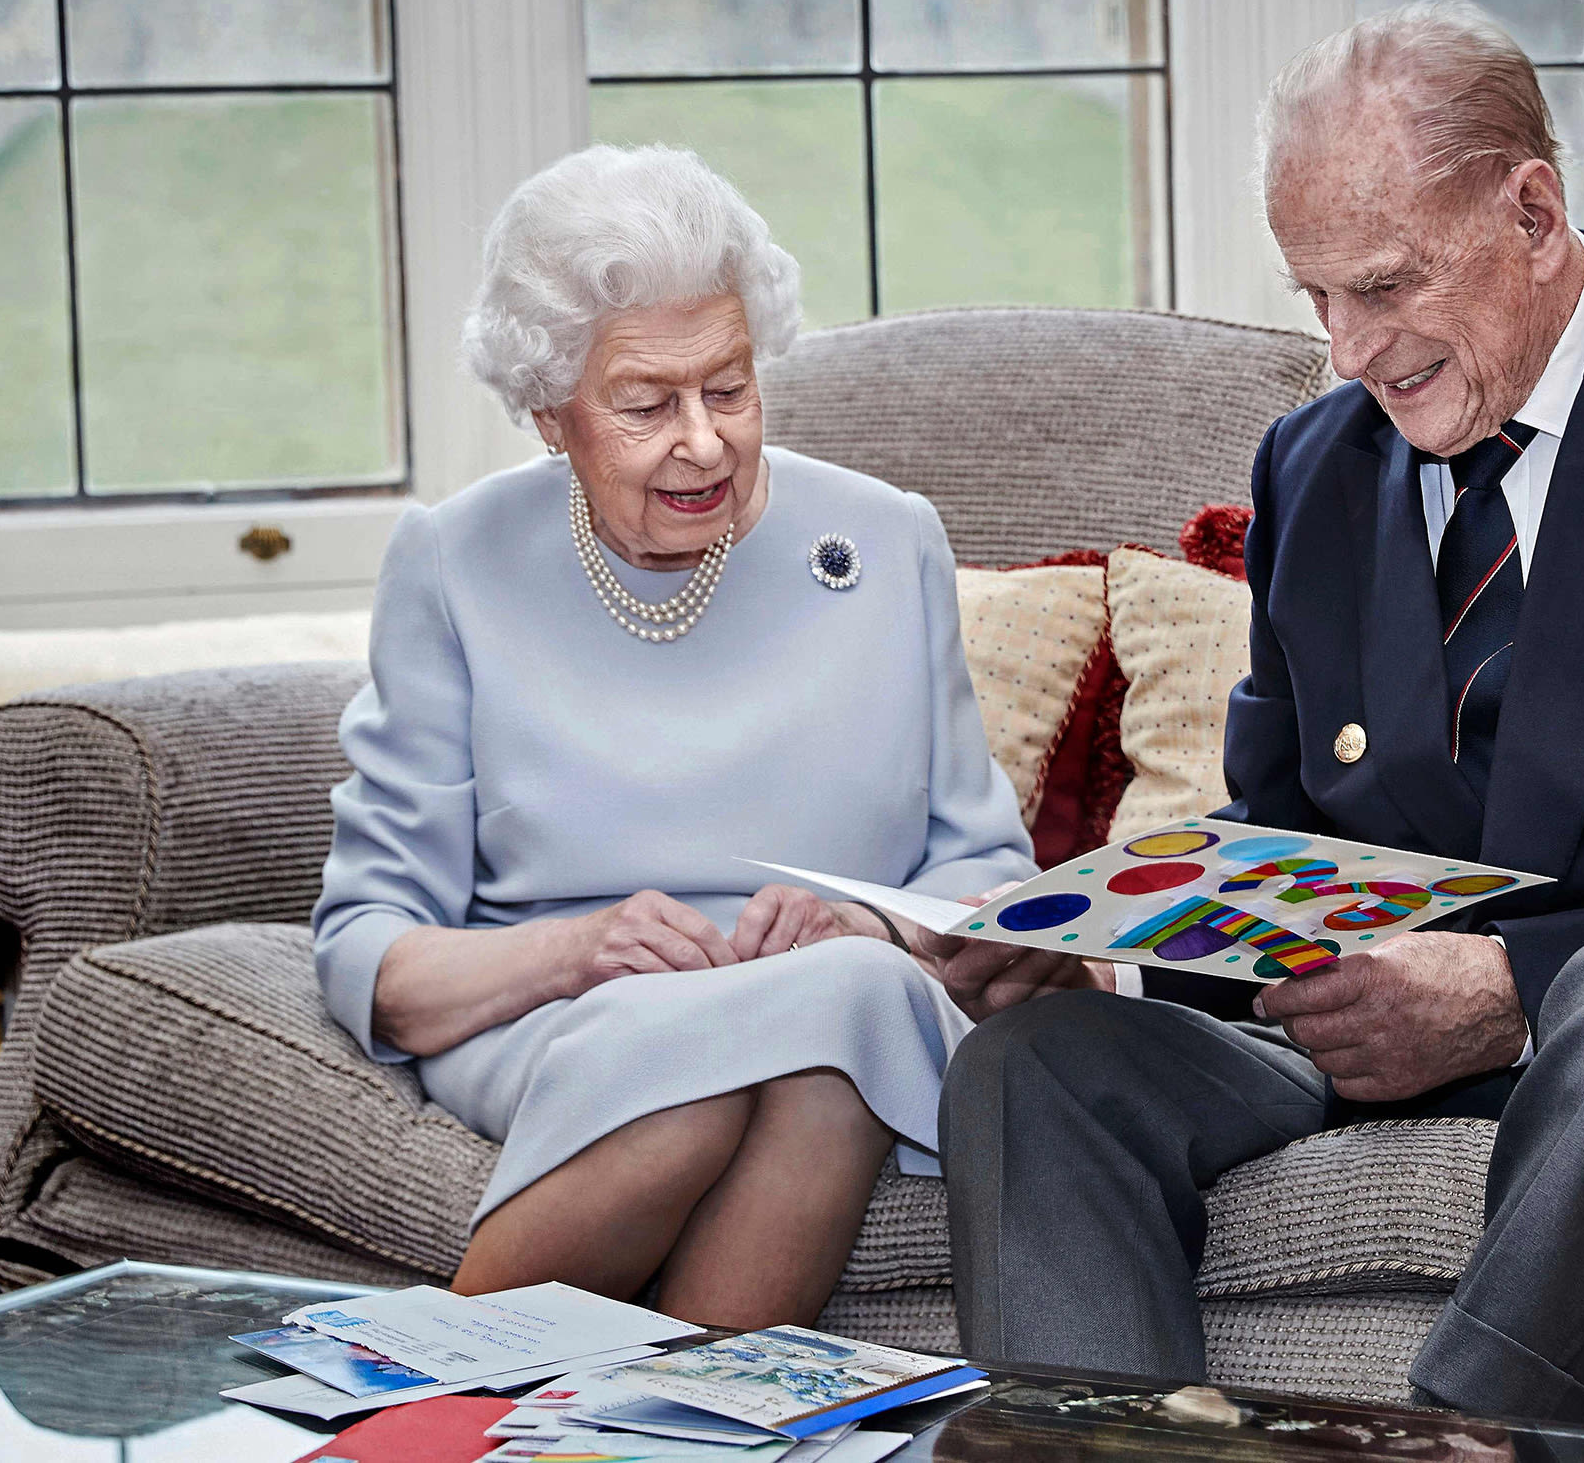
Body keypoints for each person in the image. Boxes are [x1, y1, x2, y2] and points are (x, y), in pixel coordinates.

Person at [929, 0, 1584, 1423]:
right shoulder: (1316, 462)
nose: (1351, 348)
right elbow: (1280, 830)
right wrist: (1115, 954)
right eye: (1318, 298)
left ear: (1533, 211)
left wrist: (1508, 990)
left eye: (1387, 284)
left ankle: (1449, 1442)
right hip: (1356, 1044)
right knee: (1036, 1064)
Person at [312, 143, 1050, 1326]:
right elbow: (371, 952)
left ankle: (420, 1415)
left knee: (833, 1020)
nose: (703, 441)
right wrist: (578, 950)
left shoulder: (886, 539)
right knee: (742, 1069)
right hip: (555, 1009)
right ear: (552, 416)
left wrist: (859, 918)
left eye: (730, 387)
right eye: (647, 404)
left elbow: (984, 876)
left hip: (835, 992)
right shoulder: (454, 562)